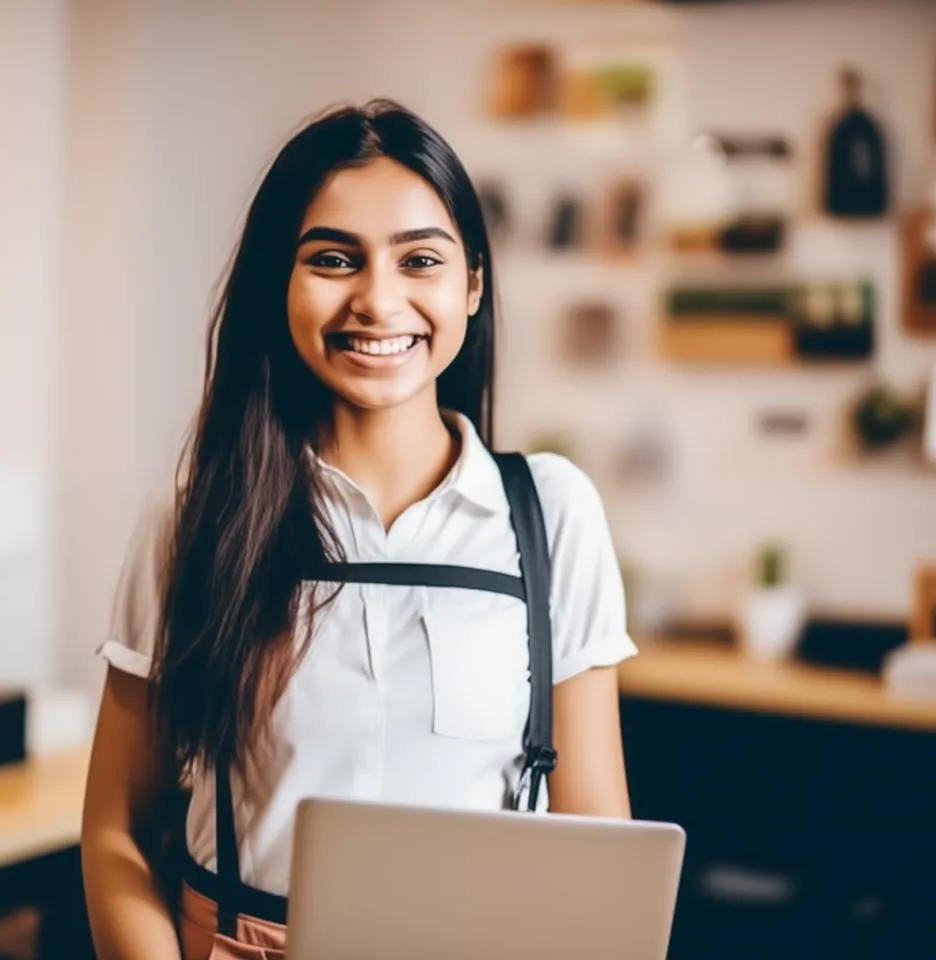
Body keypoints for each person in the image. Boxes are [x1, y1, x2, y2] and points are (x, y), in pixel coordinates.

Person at [80, 99, 637, 960]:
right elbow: (116, 829)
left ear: (473, 284)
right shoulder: (197, 513)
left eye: (421, 260)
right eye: (334, 260)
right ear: (281, 282)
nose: (379, 301)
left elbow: (599, 840)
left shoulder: (552, 514)